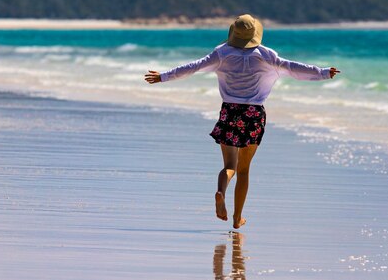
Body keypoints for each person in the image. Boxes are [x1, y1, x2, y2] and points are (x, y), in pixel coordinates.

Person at [144, 14, 340, 229]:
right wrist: (322, 72)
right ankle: (237, 218)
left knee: (229, 166)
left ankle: (221, 191)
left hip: (229, 111)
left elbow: (194, 66)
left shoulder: (222, 53)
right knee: (244, 170)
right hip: (253, 115)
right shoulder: (266, 55)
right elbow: (293, 67)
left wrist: (163, 76)